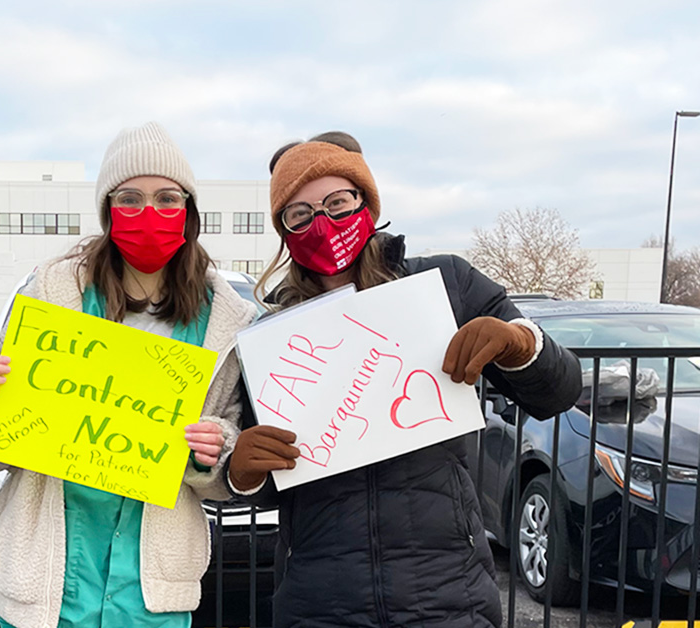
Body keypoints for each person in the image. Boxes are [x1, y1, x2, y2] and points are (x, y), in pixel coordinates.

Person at [226, 131, 583, 628]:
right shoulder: (270, 338)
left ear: (366, 203)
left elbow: (560, 392)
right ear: (284, 230)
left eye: (337, 202)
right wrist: (243, 473)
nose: (322, 222)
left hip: (447, 594)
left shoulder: (445, 285)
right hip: (318, 602)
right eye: (300, 214)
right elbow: (270, 476)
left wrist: (520, 343)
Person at [0, 122, 258, 628]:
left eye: (168, 199)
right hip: (46, 587)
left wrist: (215, 447)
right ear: (107, 211)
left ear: (190, 212)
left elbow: (222, 464)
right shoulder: (50, 293)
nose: (150, 213)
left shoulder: (226, 320)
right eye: (130, 198)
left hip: (149, 594)